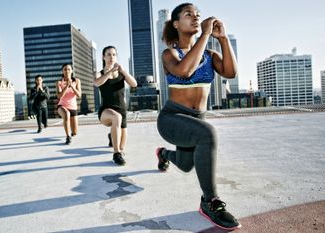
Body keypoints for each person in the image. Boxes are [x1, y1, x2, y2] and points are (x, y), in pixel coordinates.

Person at [156, 3, 241, 230]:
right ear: (176, 24)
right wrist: (205, 33)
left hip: (196, 119)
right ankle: (210, 202)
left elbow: (231, 72)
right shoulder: (170, 54)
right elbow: (185, 71)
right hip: (172, 119)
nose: (195, 18)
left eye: (198, 15)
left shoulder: (210, 55)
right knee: (208, 134)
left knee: (185, 165)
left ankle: (163, 153)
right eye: (188, 15)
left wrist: (221, 38)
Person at [94, 45, 137, 165]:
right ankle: (116, 153)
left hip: (122, 110)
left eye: (114, 54)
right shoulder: (100, 73)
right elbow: (97, 83)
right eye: (108, 54)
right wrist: (110, 72)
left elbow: (134, 84)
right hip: (106, 111)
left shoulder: (121, 72)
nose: (111, 57)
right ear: (103, 57)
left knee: (122, 146)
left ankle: (112, 137)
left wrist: (123, 71)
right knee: (116, 118)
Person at [56, 63, 81, 144]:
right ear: (62, 71)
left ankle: (71, 133)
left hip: (73, 107)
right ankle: (68, 137)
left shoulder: (77, 81)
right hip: (62, 105)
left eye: (69, 69)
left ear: (72, 71)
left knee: (75, 132)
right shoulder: (59, 82)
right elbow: (59, 96)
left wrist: (72, 86)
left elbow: (79, 95)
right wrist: (66, 86)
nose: (67, 71)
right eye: (65, 69)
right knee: (66, 114)